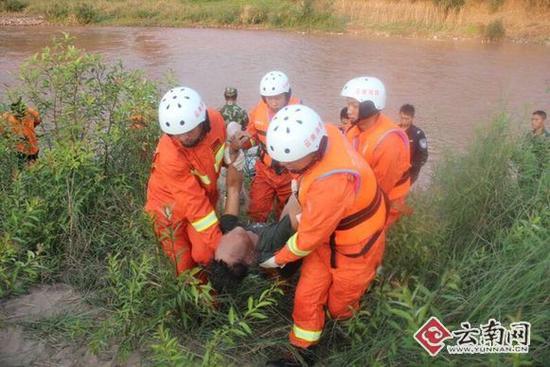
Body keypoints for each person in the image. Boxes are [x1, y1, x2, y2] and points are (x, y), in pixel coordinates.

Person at [260, 105, 387, 366]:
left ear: (308, 153)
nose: (286, 167)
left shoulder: (331, 182)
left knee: (341, 307)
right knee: (307, 295)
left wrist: (279, 258)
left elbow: (307, 239)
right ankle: (301, 353)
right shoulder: (325, 132)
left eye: (290, 163)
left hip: (356, 248)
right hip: (328, 238)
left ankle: (348, 324)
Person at [145, 86, 227, 275]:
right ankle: (203, 301)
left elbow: (217, 154)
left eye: (189, 131)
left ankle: (211, 295)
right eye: (176, 134)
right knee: (183, 265)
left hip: (202, 201)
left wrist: (231, 159)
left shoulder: (216, 121)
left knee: (205, 255)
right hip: (168, 212)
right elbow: (193, 202)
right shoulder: (170, 155)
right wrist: (221, 245)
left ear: (203, 120)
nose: (183, 137)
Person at [207, 163, 302, 293]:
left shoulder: (228, 231)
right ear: (250, 259)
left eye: (220, 246)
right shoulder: (272, 244)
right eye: (230, 250)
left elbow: (233, 189)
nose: (225, 240)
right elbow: (297, 204)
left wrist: (235, 160)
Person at [341, 76, 411, 227]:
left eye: (354, 105)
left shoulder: (389, 144)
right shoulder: (354, 128)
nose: (348, 110)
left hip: (384, 200)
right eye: (348, 104)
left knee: (367, 236)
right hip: (359, 186)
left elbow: (379, 190)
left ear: (369, 107)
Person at [232, 71, 301, 222]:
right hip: (265, 170)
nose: (274, 102)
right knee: (257, 207)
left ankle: (282, 237)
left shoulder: (300, 114)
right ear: (264, 98)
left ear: (287, 95)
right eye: (270, 98)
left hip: (290, 173)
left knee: (288, 213)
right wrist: (242, 142)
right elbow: (252, 137)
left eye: (278, 97)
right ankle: (256, 235)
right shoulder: (258, 112)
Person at [1, 97, 41, 164]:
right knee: (23, 166)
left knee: (32, 165)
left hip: (32, 147)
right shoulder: (6, 117)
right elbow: (2, 130)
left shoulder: (30, 113)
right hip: (20, 149)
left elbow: (38, 120)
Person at [398, 104, 428, 184]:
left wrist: (411, 165)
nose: (404, 121)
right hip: (395, 169)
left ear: (412, 118)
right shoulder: (394, 130)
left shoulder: (418, 134)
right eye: (402, 118)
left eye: (407, 119)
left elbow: (424, 156)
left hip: (410, 172)